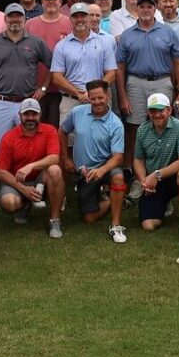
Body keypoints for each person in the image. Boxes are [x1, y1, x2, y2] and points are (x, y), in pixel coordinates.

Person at [115, 0, 179, 183]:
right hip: (135, 83)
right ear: (137, 9)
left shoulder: (168, 32)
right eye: (142, 7)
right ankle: (132, 171)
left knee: (163, 124)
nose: (146, 10)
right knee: (134, 127)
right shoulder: (127, 35)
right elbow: (119, 69)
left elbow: (178, 63)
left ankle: (163, 171)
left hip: (162, 81)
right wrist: (122, 97)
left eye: (149, 7)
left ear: (155, 9)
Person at [0, 4, 52, 144]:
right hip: (1, 103)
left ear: (24, 19)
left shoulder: (36, 42)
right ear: (5, 18)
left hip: (27, 103)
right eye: (11, 16)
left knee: (27, 145)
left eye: (18, 16)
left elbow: (52, 66)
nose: (15, 19)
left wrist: (43, 88)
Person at [60, 79, 127, 242]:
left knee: (118, 177)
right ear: (88, 97)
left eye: (100, 98)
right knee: (89, 218)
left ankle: (116, 225)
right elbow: (62, 131)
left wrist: (102, 170)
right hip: (84, 172)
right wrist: (65, 158)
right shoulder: (77, 113)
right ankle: (112, 199)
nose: (97, 102)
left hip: (106, 168)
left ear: (108, 96)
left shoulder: (116, 124)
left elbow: (118, 157)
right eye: (93, 98)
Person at [133, 93, 179, 247]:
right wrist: (144, 180)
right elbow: (138, 159)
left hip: (174, 177)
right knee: (149, 225)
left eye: (161, 110)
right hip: (154, 182)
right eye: (153, 111)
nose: (157, 115)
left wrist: (156, 174)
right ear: (148, 112)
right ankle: (164, 203)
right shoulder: (142, 129)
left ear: (169, 110)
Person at [0, 99, 65, 236]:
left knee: (55, 170)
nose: (30, 118)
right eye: (27, 114)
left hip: (41, 179)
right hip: (17, 181)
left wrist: (31, 166)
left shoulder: (50, 130)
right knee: (9, 203)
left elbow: (54, 158)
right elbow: (1, 172)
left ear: (40, 115)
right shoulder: (9, 138)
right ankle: (25, 204)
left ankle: (55, 220)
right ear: (20, 115)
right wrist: (24, 189)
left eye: (34, 114)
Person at [50, 2, 118, 120]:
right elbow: (56, 77)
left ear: (88, 17)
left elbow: (111, 73)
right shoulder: (61, 46)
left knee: (101, 136)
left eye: (83, 16)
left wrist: (93, 93)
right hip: (71, 101)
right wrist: (78, 93)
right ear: (70, 19)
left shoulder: (104, 43)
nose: (80, 19)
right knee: (70, 137)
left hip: (99, 101)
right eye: (76, 16)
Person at [25, 0, 71, 126]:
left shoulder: (69, 22)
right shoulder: (30, 24)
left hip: (62, 89)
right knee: (35, 128)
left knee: (57, 130)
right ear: (42, 2)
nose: (51, 2)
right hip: (35, 89)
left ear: (60, 1)